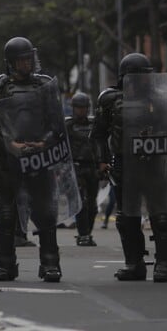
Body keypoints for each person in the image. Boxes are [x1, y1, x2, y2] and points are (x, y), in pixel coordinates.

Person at [0, 37, 76, 283]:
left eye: (29, 58)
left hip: (39, 161)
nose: (27, 64)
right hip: (8, 163)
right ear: (11, 63)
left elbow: (56, 123)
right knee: (6, 216)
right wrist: (9, 143)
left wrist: (44, 142)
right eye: (22, 60)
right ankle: (5, 265)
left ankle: (50, 264)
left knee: (45, 214)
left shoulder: (44, 85)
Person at [92, 52, 167, 283]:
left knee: (160, 216)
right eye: (141, 76)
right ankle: (134, 263)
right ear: (127, 78)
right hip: (125, 164)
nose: (146, 81)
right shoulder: (110, 101)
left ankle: (165, 262)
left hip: (154, 163)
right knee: (127, 218)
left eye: (147, 77)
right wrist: (102, 161)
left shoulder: (161, 99)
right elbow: (98, 135)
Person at [66, 92, 98, 246]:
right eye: (78, 107)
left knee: (92, 205)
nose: (81, 111)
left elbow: (101, 144)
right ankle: (83, 234)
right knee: (82, 203)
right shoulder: (67, 125)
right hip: (75, 167)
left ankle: (87, 233)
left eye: (84, 107)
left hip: (92, 167)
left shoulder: (94, 125)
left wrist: (104, 163)